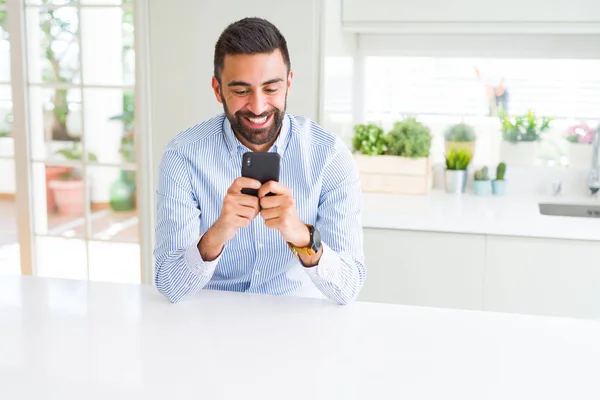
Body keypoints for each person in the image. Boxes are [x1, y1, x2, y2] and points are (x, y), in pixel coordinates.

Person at [153, 17, 366, 305]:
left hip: (296, 323)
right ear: (218, 90)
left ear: (289, 83)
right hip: (211, 323)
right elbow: (169, 284)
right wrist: (217, 235)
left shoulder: (328, 156)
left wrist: (303, 238)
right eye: (241, 91)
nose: (257, 106)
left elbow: (349, 287)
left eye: (271, 89)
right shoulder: (183, 156)